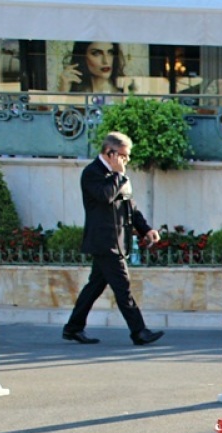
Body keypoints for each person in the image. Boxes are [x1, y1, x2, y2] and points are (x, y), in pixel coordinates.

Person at [62, 131, 163, 346]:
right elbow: (105, 197)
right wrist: (118, 174)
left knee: (94, 287)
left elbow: (130, 207)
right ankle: (139, 332)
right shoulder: (92, 173)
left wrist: (146, 229)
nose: (126, 160)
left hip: (117, 241)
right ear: (110, 153)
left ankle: (73, 328)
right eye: (124, 156)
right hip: (104, 242)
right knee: (122, 287)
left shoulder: (120, 176)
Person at [58, 42, 127, 94]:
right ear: (83, 57)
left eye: (110, 52)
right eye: (96, 53)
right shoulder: (76, 92)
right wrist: (63, 89)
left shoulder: (126, 90)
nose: (106, 61)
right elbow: (58, 112)